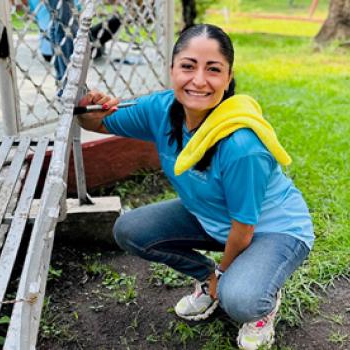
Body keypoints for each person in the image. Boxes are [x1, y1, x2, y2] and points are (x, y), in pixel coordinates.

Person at [75, 24, 314, 350]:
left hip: (272, 230)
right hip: (213, 217)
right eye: (188, 66)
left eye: (213, 70)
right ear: (172, 69)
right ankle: (207, 277)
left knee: (240, 300)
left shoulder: (242, 145)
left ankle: (261, 302)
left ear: (228, 79)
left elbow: (244, 230)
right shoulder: (160, 110)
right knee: (130, 229)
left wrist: (224, 274)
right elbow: (96, 121)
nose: (199, 80)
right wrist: (91, 106)